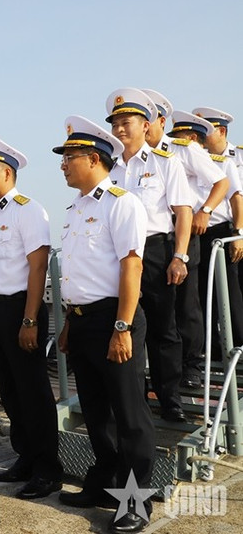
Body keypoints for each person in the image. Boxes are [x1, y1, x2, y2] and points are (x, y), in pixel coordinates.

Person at [53, 116, 155, 534]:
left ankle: (134, 502)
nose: (62, 165)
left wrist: (122, 326)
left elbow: (132, 266)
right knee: (96, 412)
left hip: (115, 319)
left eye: (69, 158)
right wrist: (67, 325)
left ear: (93, 158)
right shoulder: (76, 209)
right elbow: (78, 274)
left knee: (130, 415)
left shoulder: (122, 202)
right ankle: (104, 482)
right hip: (81, 322)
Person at [0, 135, 62, 499]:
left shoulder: (29, 210)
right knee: (10, 391)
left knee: (34, 392)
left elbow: (37, 266)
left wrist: (29, 320)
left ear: (7, 173)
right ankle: (26, 458)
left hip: (22, 307)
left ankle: (47, 469)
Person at [105, 88, 193, 423]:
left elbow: (183, 212)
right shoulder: (109, 169)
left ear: (145, 125)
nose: (120, 130)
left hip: (155, 250)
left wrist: (180, 257)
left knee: (163, 327)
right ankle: (133, 396)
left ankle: (169, 397)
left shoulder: (165, 163)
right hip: (118, 256)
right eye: (116, 124)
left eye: (126, 122)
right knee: (124, 323)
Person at [142, 90, 229, 390]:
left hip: (184, 234)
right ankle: (164, 370)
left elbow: (222, 181)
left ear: (161, 122)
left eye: (147, 121)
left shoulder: (183, 149)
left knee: (186, 305)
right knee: (159, 310)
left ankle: (191, 365)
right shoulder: (135, 160)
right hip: (153, 241)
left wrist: (205, 210)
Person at [169, 110, 243, 358]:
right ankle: (209, 352)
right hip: (190, 232)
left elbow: (235, 199)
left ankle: (240, 345)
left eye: (181, 138)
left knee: (230, 294)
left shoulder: (224, 163)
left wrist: (238, 232)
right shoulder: (176, 164)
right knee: (198, 296)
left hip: (219, 232)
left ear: (193, 139)